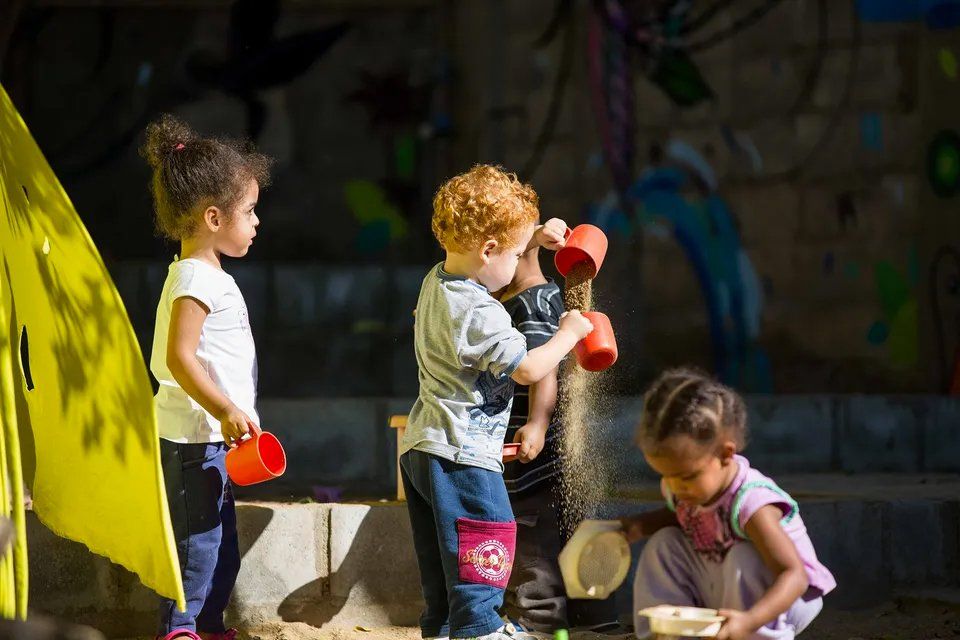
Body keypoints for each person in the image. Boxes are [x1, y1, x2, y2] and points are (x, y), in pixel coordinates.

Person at [400, 165, 594, 640]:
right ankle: (482, 628)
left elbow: (492, 245)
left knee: (447, 558)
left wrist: (534, 234)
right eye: (513, 253)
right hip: (464, 453)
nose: (517, 264)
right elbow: (529, 367)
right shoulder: (482, 311)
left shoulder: (438, 280)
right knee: (489, 535)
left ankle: (445, 628)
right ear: (488, 249)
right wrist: (569, 333)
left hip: (424, 447)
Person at [141, 114, 271, 640]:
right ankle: (181, 626)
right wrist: (223, 409)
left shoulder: (209, 275)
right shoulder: (194, 277)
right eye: (250, 211)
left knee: (218, 540)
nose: (257, 221)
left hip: (214, 439)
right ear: (214, 216)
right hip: (195, 437)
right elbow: (179, 357)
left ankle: (208, 622)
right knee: (197, 541)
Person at [621, 368, 835, 640]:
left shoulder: (752, 503)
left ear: (725, 454)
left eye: (686, 476)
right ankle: (667, 635)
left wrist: (749, 621)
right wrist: (640, 526)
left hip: (783, 600)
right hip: (723, 583)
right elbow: (684, 516)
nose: (675, 487)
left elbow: (794, 576)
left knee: (743, 557)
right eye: (666, 476)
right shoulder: (686, 488)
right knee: (663, 544)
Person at [496, 237, 618, 635]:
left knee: (532, 531)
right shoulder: (554, 297)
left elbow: (543, 367)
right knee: (576, 526)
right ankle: (599, 615)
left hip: (532, 448)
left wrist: (536, 423)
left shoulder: (526, 303)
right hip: (567, 450)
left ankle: (540, 618)